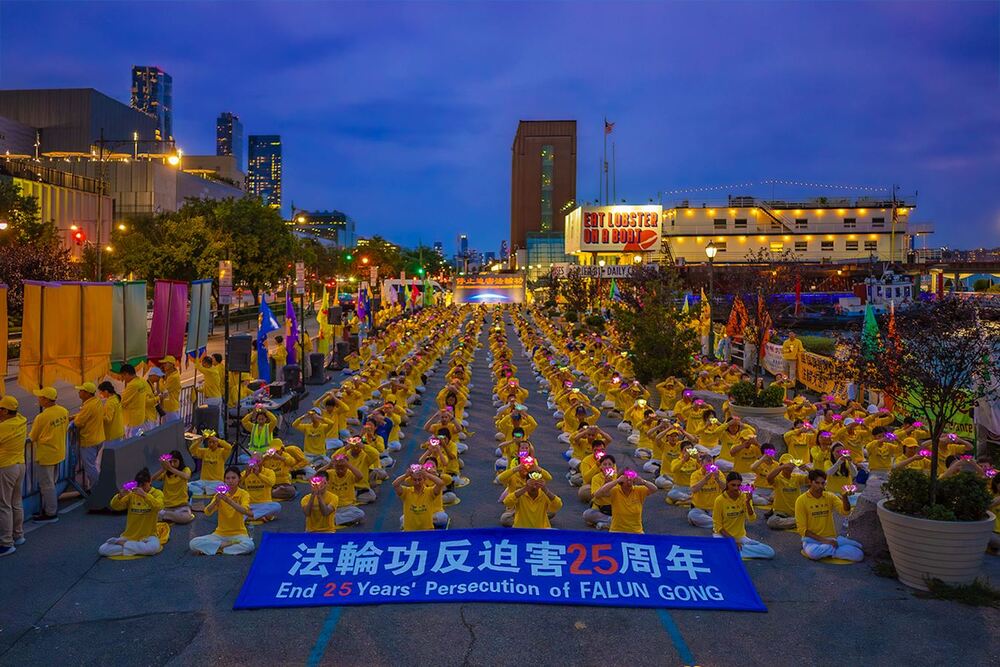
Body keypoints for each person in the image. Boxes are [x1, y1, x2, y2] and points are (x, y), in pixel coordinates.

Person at [795, 469, 863, 562]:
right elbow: (802, 530)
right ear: (810, 482)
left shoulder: (829, 496)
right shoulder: (801, 500)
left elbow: (845, 512)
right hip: (811, 540)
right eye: (817, 483)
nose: (820, 486)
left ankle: (832, 548)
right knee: (814, 553)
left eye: (823, 483)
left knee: (859, 555)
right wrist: (825, 541)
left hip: (831, 538)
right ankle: (837, 547)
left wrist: (844, 496)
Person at [98, 468, 165, 558]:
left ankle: (125, 545)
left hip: (148, 536)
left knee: (153, 548)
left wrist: (145, 495)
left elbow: (159, 506)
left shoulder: (157, 493)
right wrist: (120, 495)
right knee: (103, 550)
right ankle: (132, 546)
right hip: (130, 535)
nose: (141, 488)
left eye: (143, 485)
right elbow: (115, 506)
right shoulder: (132, 494)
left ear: (150, 482)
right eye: (139, 485)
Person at [190, 466, 255, 556]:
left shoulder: (243, 494)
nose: (230, 481)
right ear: (224, 480)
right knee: (193, 543)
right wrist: (216, 501)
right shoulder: (219, 494)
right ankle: (222, 547)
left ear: (239, 479)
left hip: (238, 533)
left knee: (249, 546)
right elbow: (207, 512)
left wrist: (228, 501)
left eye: (233, 478)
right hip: (220, 534)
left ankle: (217, 549)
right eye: (227, 478)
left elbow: (244, 510)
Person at [713, 472, 775, 559]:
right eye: (733, 485)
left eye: (738, 485)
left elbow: (752, 518)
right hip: (724, 537)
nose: (736, 488)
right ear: (727, 484)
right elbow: (718, 526)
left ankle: (735, 551)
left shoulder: (744, 497)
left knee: (769, 552)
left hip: (740, 537)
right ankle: (735, 550)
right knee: (723, 548)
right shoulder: (719, 500)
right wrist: (733, 541)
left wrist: (748, 502)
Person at [30, 387, 69, 524]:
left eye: (40, 397)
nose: (39, 399)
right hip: (59, 451)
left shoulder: (42, 417)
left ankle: (51, 513)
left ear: (46, 400)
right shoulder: (63, 411)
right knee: (52, 483)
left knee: (47, 485)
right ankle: (48, 508)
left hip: (46, 454)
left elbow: (33, 436)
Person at [0, 396, 27, 556]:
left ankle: (6, 543)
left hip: (6, 467)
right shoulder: (21, 420)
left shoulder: (4, 427)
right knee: (16, 502)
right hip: (20, 465)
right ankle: (19, 535)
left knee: (4, 505)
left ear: (4, 411)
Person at [593, 469, 657, 534]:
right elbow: (598, 494)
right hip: (616, 531)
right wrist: (616, 481)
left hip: (636, 531)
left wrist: (644, 482)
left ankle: (605, 524)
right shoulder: (615, 491)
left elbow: (654, 489)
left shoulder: (639, 490)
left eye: (632, 476)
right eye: (626, 477)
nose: (629, 479)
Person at [71, 382, 105, 491]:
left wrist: (74, 420)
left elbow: (78, 423)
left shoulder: (88, 406)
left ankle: (97, 490)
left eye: (81, 391)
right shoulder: (97, 401)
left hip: (89, 440)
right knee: (95, 465)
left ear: (87, 393)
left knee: (90, 467)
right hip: (99, 437)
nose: (79, 393)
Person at [394, 464, 446, 531]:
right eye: (415, 480)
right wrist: (406, 475)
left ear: (424, 480)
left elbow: (440, 483)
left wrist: (427, 474)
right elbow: (395, 484)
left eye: (419, 479)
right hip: (409, 530)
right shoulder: (406, 492)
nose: (417, 482)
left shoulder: (429, 492)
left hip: (427, 530)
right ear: (412, 481)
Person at [765, 455, 808, 530]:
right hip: (781, 513)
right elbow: (769, 478)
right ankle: (800, 522)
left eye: (791, 465)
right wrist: (782, 467)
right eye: (787, 465)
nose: (789, 467)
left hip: (796, 512)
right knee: (772, 522)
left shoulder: (797, 477)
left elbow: (813, 478)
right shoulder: (778, 478)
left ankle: (798, 521)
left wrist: (807, 468)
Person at [153, 450, 194, 524]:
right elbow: (152, 479)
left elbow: (186, 476)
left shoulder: (185, 469)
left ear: (180, 461)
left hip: (181, 506)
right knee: (151, 515)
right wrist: (163, 468)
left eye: (175, 461)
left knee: (186, 518)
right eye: (170, 462)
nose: (172, 464)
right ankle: (171, 516)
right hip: (167, 506)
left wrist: (170, 468)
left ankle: (166, 516)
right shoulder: (166, 472)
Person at [688, 454, 724, 529]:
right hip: (700, 509)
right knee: (692, 515)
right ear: (701, 464)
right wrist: (705, 479)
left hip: (715, 508)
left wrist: (718, 479)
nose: (710, 467)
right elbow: (694, 489)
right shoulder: (695, 474)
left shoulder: (718, 473)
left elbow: (725, 489)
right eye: (707, 465)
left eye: (711, 465)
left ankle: (716, 524)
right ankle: (719, 524)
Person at [120, 364, 156, 437]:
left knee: (131, 440)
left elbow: (123, 402)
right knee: (137, 438)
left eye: (123, 376)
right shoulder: (142, 381)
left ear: (126, 374)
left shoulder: (132, 385)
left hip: (131, 419)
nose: (123, 379)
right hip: (140, 417)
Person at [240, 456, 281, 520]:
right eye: (253, 461)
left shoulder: (269, 472)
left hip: (265, 504)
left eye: (258, 461)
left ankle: (250, 516)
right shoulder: (245, 473)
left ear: (262, 462)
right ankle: (259, 516)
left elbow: (271, 483)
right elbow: (238, 485)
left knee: (277, 506)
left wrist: (258, 474)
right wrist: (246, 475)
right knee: (236, 506)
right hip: (249, 504)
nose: (255, 464)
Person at [199, 355, 225, 433]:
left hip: (212, 399)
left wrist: (196, 357)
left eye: (203, 363)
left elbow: (198, 367)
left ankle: (207, 435)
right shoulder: (212, 371)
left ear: (206, 364)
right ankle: (221, 435)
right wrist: (199, 390)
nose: (202, 364)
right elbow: (209, 385)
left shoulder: (210, 371)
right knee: (219, 417)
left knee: (204, 416)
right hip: (217, 397)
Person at [159, 356, 182, 423]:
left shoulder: (173, 377)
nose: (164, 365)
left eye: (166, 363)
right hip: (168, 406)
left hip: (170, 407)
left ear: (172, 364)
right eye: (163, 363)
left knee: (172, 428)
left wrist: (161, 380)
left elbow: (163, 389)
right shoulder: (170, 374)